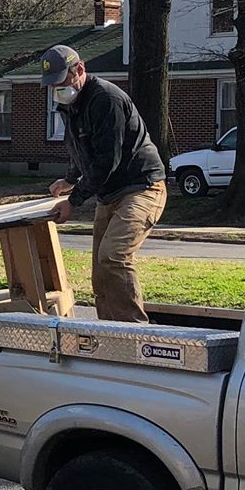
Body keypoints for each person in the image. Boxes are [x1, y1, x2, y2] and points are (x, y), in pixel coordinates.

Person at [41, 43, 170, 323]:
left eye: (62, 81)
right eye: (52, 85)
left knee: (113, 256)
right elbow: (80, 147)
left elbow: (106, 161)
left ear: (80, 70)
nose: (58, 89)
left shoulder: (105, 99)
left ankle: (135, 331)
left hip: (142, 187)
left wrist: (73, 201)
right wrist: (70, 179)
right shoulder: (69, 105)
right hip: (109, 193)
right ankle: (110, 332)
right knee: (101, 272)